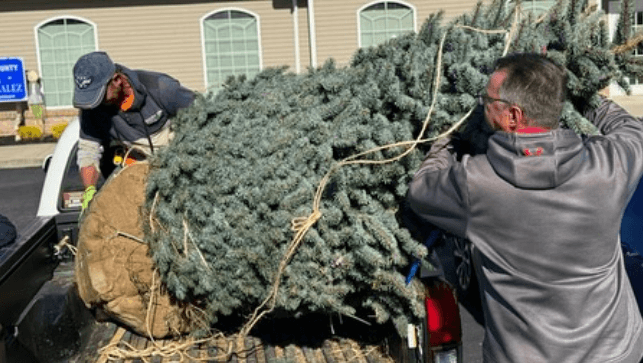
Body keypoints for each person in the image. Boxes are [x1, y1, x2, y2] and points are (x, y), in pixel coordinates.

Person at [406, 53, 643, 362]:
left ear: (513, 116)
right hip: (616, 354)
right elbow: (631, 129)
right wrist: (582, 95)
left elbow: (421, 188)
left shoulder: (476, 183)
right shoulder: (607, 168)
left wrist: (451, 134)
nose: (482, 105)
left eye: (487, 100)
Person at [72, 51, 195, 210]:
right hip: (139, 179)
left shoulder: (161, 88)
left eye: (99, 95)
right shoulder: (92, 108)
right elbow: (88, 151)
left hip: (182, 171)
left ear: (116, 80)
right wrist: (89, 189)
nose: (94, 104)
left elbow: (203, 116)